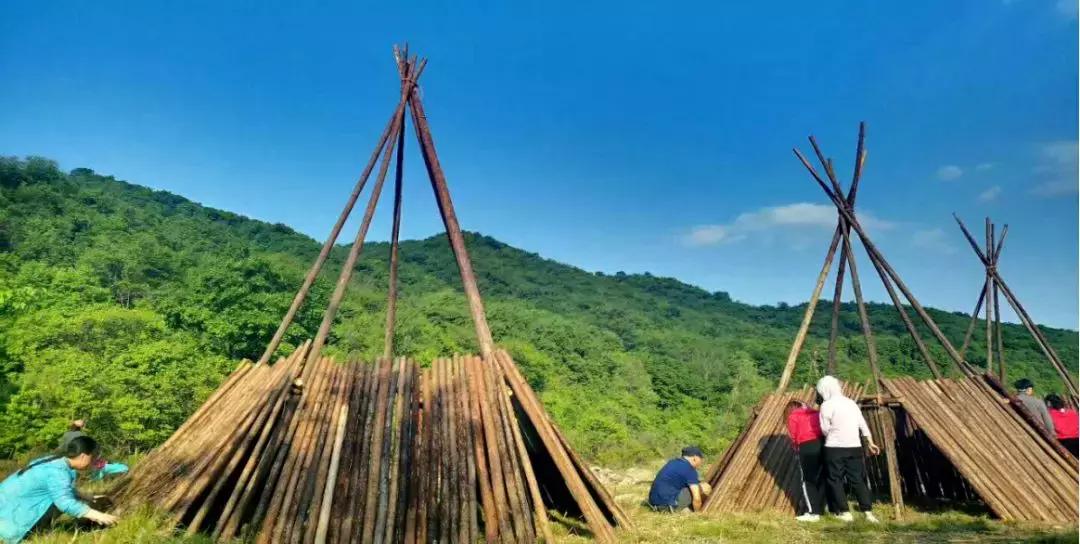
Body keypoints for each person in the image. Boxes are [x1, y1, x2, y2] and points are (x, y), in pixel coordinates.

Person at [0, 436, 118, 543]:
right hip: (9, 522)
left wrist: (85, 496)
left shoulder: (54, 461)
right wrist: (99, 516)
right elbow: (64, 502)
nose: (93, 463)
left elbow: (59, 488)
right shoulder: (58, 472)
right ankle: (29, 535)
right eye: (93, 458)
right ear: (83, 456)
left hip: (5, 508)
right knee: (62, 503)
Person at [816, 375, 880, 523]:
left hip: (834, 448)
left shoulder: (826, 405)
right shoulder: (851, 403)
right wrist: (870, 442)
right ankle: (868, 512)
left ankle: (845, 512)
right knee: (857, 479)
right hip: (854, 446)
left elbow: (824, 429)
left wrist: (834, 433)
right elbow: (862, 424)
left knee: (835, 479)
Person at [785, 399, 826, 522]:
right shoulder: (816, 413)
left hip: (806, 446)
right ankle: (822, 507)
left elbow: (793, 435)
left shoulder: (793, 416)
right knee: (822, 477)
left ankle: (813, 513)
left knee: (807, 480)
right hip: (821, 443)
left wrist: (796, 449)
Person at [647, 446, 710, 512]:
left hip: (653, 504)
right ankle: (693, 509)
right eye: (701, 459)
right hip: (667, 507)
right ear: (695, 458)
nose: (701, 462)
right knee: (704, 487)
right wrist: (697, 514)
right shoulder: (689, 469)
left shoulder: (672, 462)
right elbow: (697, 498)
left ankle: (685, 508)